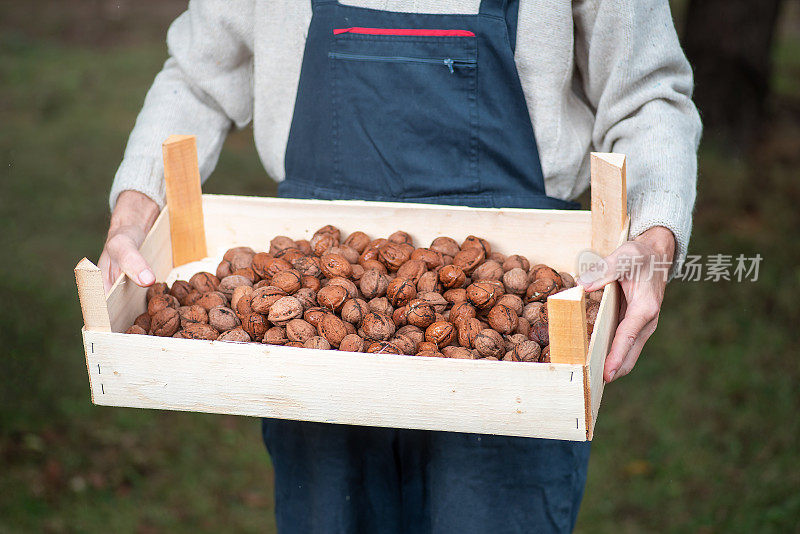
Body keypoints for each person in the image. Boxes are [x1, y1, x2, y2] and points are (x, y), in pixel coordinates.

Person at [98, 1, 701, 532]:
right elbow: (200, 79)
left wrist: (655, 235)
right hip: (315, 343)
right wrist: (136, 207)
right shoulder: (304, 303)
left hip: (517, 336)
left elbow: (648, 94)